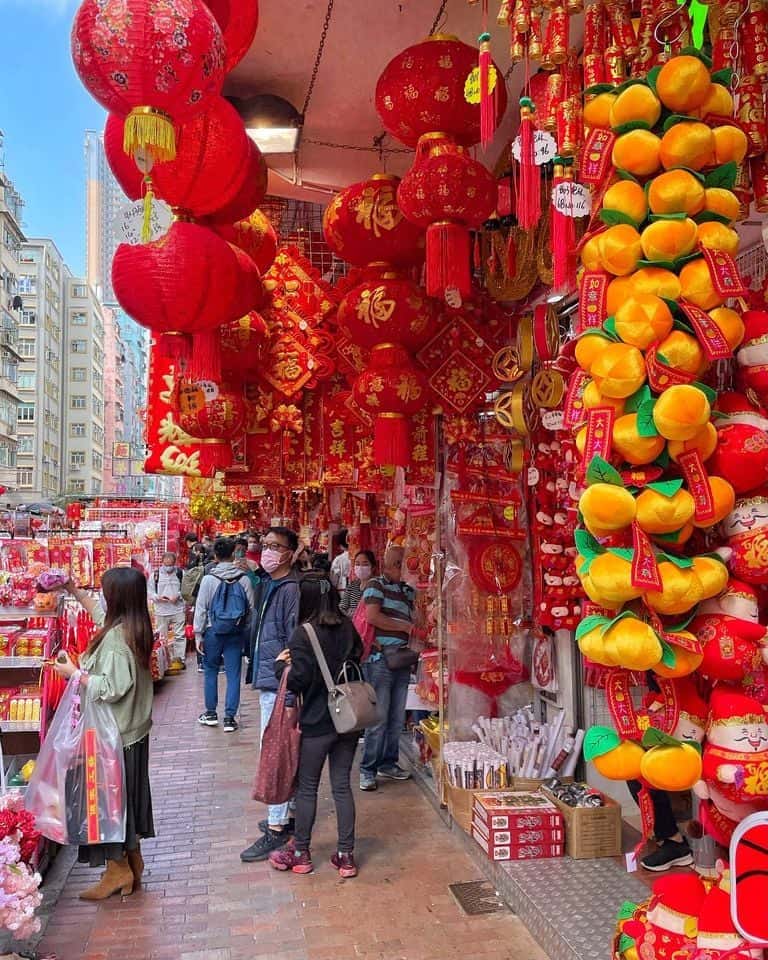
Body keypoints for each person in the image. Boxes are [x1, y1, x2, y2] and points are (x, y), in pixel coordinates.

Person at [52, 568, 155, 900]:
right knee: (126, 802)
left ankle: (118, 869)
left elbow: (111, 687)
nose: (102, 597)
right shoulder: (136, 626)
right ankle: (132, 862)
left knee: (109, 805)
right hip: (132, 733)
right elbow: (103, 618)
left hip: (113, 736)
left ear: (117, 598)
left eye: (105, 592)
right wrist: (74, 590)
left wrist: (74, 674)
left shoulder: (114, 638)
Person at [268, 574, 362, 877]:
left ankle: (301, 853)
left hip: (317, 721)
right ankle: (346, 856)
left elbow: (300, 679)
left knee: (307, 788)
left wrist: (282, 667)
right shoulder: (348, 627)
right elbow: (358, 660)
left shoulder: (303, 634)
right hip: (347, 720)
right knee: (342, 787)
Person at [240, 527, 300, 863]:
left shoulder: (290, 589)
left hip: (280, 682)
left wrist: (286, 681)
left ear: (290, 552)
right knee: (275, 748)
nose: (268, 552)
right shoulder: (270, 584)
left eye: (275, 546)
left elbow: (293, 641)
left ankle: (277, 828)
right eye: (265, 546)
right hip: (268, 679)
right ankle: (284, 815)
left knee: (276, 752)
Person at [359, 545, 415, 791]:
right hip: (379, 658)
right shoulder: (375, 586)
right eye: (405, 564)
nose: (409, 569)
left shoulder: (407, 590)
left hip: (402, 658)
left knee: (395, 717)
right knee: (379, 718)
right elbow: (372, 617)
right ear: (393, 565)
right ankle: (367, 768)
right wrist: (404, 628)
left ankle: (388, 762)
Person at [194, 538, 255, 733]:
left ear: (215, 555)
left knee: (211, 670)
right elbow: (251, 607)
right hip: (235, 632)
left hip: (213, 631)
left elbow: (201, 608)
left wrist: (198, 634)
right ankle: (230, 717)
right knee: (233, 673)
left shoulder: (208, 579)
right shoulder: (243, 578)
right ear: (233, 553)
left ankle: (210, 713)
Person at [149, 552, 186, 675]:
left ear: (174, 563)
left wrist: (178, 595)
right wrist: (157, 597)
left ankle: (180, 659)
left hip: (178, 609)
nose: (168, 566)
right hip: (161, 610)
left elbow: (185, 590)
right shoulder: (155, 575)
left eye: (171, 564)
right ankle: (165, 662)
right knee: (162, 637)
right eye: (166, 564)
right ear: (162, 562)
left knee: (179, 635)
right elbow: (150, 591)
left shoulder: (181, 573)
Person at [340, 550, 376, 618]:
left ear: (373, 567)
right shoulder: (353, 585)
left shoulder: (376, 586)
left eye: (365, 564)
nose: (360, 567)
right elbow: (342, 607)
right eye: (357, 564)